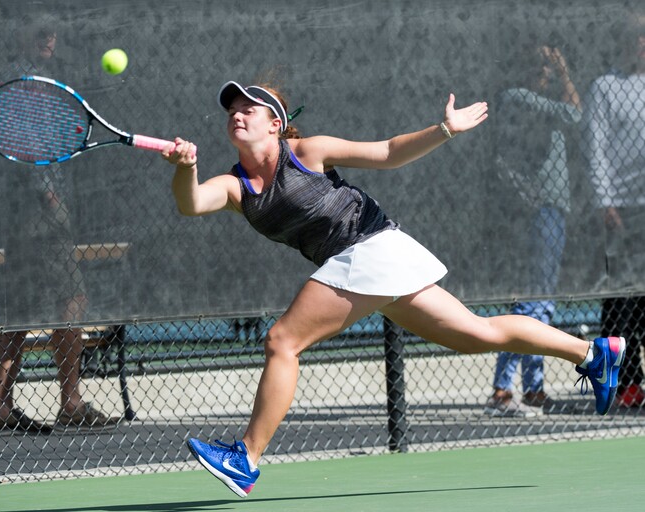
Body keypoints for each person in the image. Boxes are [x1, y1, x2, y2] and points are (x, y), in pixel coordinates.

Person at [161, 80, 625, 497]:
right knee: (477, 334)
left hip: (368, 247)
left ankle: (246, 458)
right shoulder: (235, 186)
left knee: (283, 340)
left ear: (276, 124)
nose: (237, 115)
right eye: (232, 111)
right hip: (368, 262)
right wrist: (186, 166)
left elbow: (386, 151)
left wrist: (443, 129)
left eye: (250, 108)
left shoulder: (307, 152)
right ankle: (592, 353)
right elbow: (192, 202)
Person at [0, 25, 114, 433]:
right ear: (21, 35)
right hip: (38, 213)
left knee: (21, 307)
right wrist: (49, 197)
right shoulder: (25, 85)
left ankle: (2, 406)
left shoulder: (39, 84)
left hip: (32, 213)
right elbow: (22, 146)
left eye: (53, 32)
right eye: (40, 32)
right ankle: (69, 402)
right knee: (72, 298)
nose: (48, 39)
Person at [484, 44, 582, 417]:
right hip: (536, 213)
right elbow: (575, 115)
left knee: (542, 303)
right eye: (539, 63)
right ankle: (501, 390)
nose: (545, 70)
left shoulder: (542, 105)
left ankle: (533, 388)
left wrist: (562, 74)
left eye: (549, 64)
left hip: (552, 211)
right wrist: (564, 73)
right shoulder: (519, 97)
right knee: (530, 304)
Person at [583, 16, 645, 409]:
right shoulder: (605, 87)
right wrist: (605, 200)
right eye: (638, 40)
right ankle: (623, 383)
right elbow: (596, 146)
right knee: (622, 298)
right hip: (620, 210)